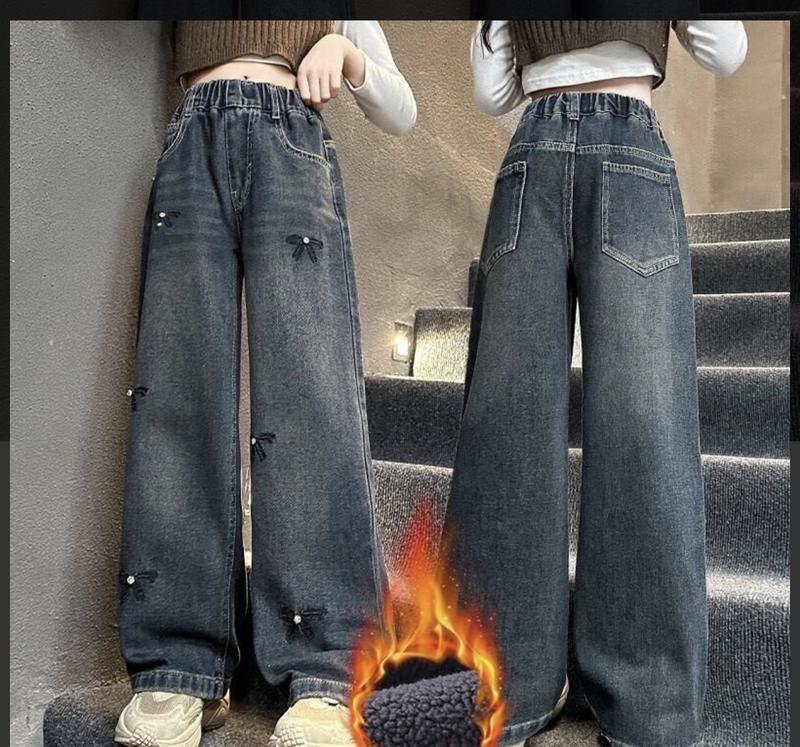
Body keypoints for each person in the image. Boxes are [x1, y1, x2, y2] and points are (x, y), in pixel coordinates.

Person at [442, 20, 746, 747]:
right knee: (608, 425)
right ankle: (638, 708)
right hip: (591, 149)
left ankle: (515, 690)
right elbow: (724, 49)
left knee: (541, 426)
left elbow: (492, 91)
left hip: (559, 152)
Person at [114, 21, 415, 747]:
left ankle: (327, 671)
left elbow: (401, 107)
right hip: (192, 142)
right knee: (178, 391)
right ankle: (180, 663)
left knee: (311, 397)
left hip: (292, 144)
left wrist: (348, 56)